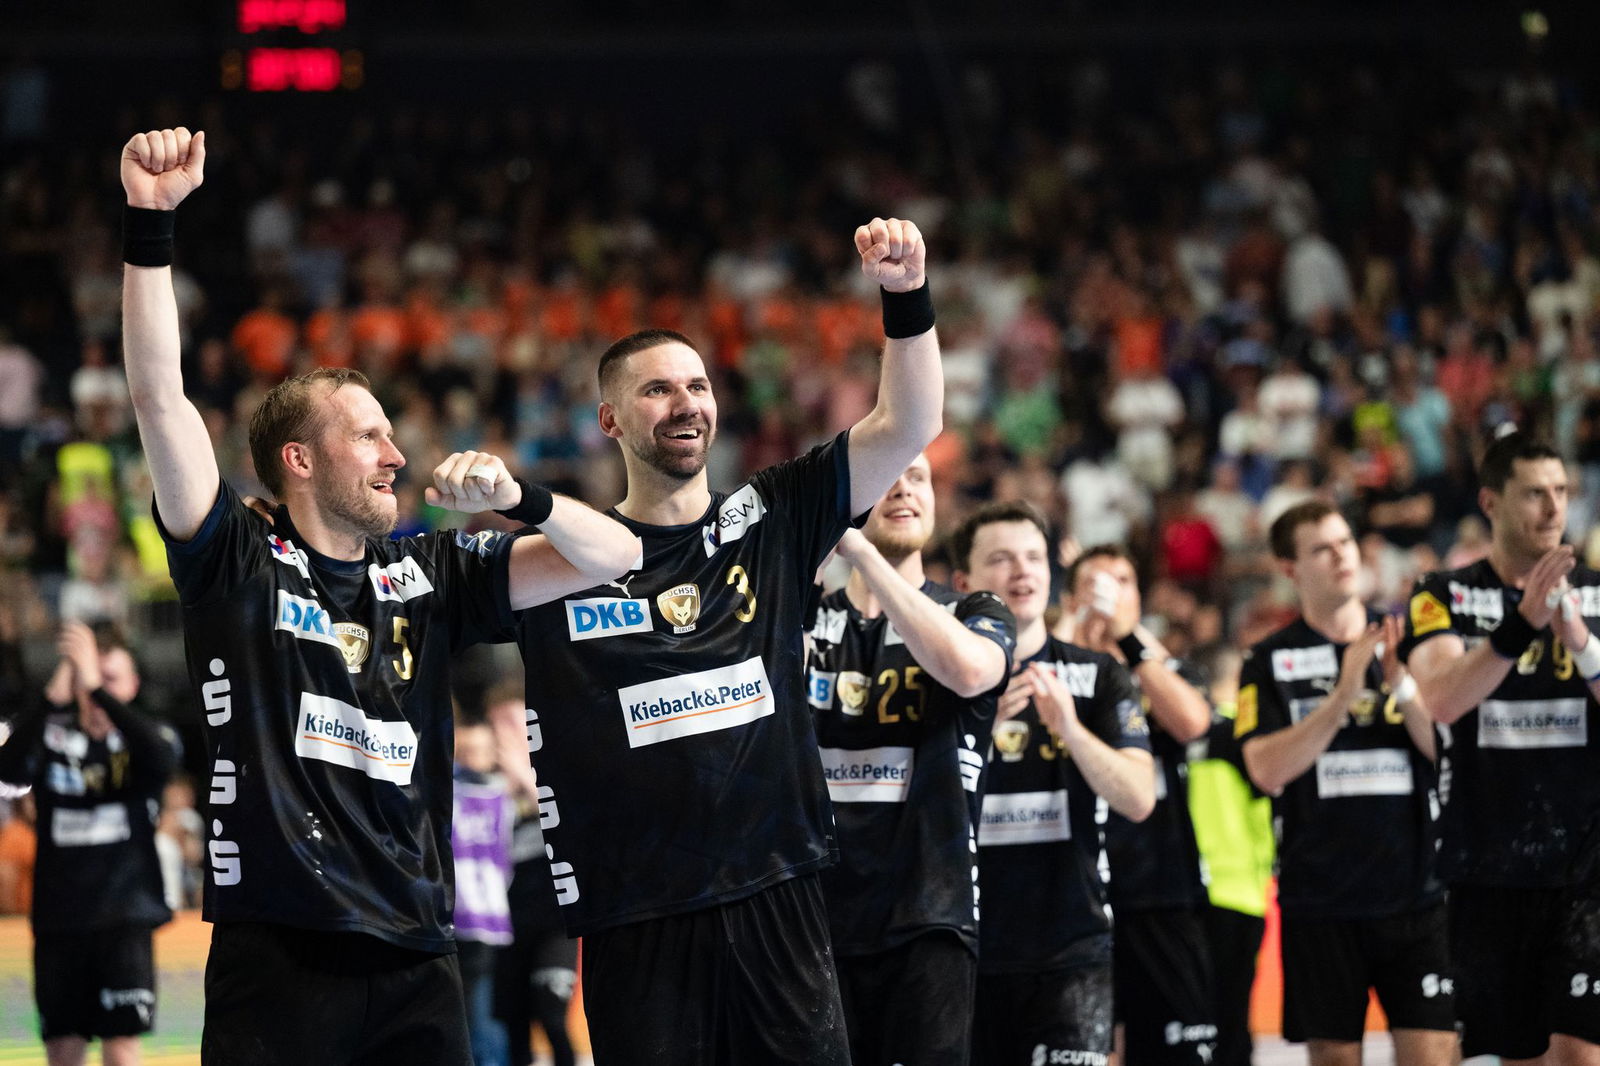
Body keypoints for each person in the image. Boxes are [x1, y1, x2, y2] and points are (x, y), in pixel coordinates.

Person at [118, 126, 640, 1066]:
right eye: (367, 436)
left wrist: (523, 500)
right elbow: (161, 400)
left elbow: (614, 556)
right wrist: (150, 228)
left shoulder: (433, 572)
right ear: (299, 459)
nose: (396, 454)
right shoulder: (234, 555)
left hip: (416, 952)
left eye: (392, 434)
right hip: (279, 950)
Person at [489, 215, 944, 1065]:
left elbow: (910, 423)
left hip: (778, 893)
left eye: (696, 385)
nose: (686, 402)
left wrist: (904, 292)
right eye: (657, 389)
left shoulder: (770, 516)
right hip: (636, 918)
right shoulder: (552, 566)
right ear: (611, 420)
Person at [805, 454, 1016, 1066]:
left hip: (932, 912)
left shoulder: (975, 611)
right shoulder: (805, 614)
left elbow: (971, 671)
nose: (904, 488)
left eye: (918, 477)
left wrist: (863, 554)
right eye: (885, 476)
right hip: (813, 917)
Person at [1400, 431, 1600, 1064]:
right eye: (1534, 493)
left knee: (1578, 1052)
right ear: (1489, 501)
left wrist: (1582, 644)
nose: (1553, 508)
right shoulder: (1443, 596)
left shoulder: (1597, 594)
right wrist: (1522, 626)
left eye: (1562, 491)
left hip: (1587, 865)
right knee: (1512, 1054)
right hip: (1487, 862)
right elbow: (1439, 701)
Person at [1239, 501, 1455, 1066]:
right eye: (1322, 548)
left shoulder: (1409, 640)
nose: (1341, 556)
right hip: (1321, 901)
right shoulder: (1269, 660)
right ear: (1290, 569)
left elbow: (1449, 752)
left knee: (1435, 1056)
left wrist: (1400, 686)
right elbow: (1265, 770)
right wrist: (1341, 698)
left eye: (1346, 542)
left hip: (1418, 893)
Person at [947, 501, 1155, 1066]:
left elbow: (1140, 798)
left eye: (1035, 557)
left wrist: (1070, 728)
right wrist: (982, 732)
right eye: (1002, 560)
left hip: (1070, 948)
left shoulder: (1098, 675)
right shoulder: (942, 676)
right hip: (957, 948)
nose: (1023, 572)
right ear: (964, 582)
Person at [1062, 545, 1219, 1066]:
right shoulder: (1050, 668)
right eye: (1096, 583)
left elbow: (1194, 723)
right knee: (1089, 1050)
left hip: (1161, 891)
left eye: (1124, 581)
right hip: (1076, 895)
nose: (1110, 593)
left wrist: (1129, 638)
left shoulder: (1164, 668)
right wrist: (1073, 631)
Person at [0, 622, 176, 1066]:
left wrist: (98, 691)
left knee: (121, 1051)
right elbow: (9, 771)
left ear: (132, 684)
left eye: (111, 679)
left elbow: (162, 759)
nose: (97, 689)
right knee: (63, 1050)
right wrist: (53, 696)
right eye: (89, 677)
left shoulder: (146, 738)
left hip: (124, 917)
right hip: (60, 919)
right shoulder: (52, 738)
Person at [482, 685, 579, 1066]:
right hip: (507, 918)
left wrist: (524, 777)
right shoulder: (486, 783)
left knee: (551, 1013)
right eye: (498, 723)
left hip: (555, 919)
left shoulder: (557, 767)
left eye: (513, 721)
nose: (505, 731)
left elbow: (573, 824)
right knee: (512, 1025)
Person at [453, 716, 516, 1066]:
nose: (475, 756)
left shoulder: (497, 795)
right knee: (471, 1006)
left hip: (483, 915)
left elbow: (504, 857)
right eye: (467, 750)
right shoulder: (492, 793)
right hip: (462, 913)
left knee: (477, 1008)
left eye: (481, 749)